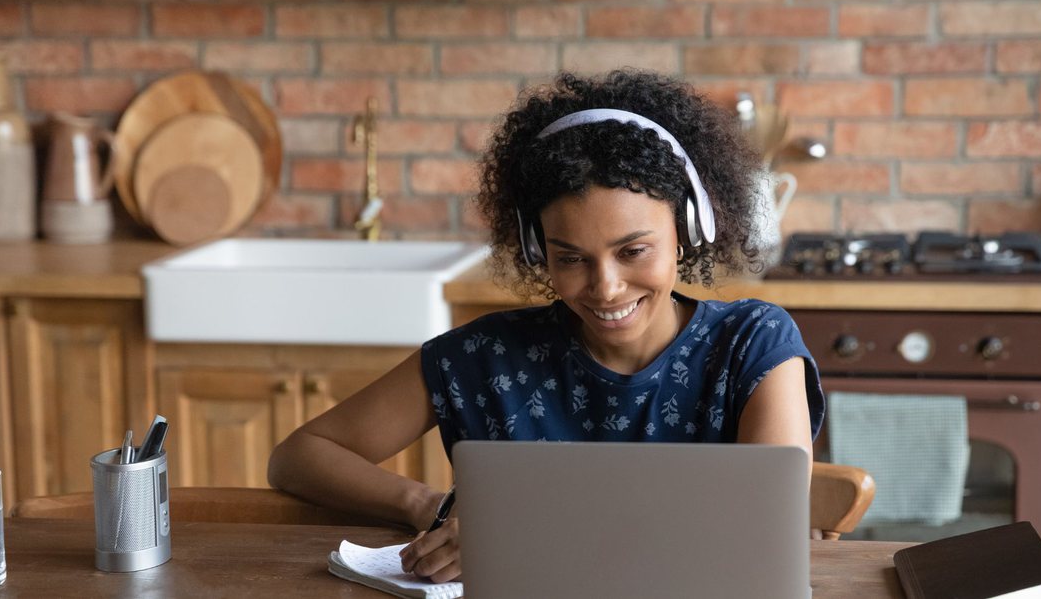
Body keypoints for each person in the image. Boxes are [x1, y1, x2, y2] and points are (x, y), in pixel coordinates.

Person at [268, 69, 825, 583]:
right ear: (537, 250)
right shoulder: (485, 356)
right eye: (571, 257)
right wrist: (433, 507)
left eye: (632, 250)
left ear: (687, 228)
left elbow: (766, 520)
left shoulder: (755, 345)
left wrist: (530, 532)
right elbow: (299, 456)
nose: (605, 287)